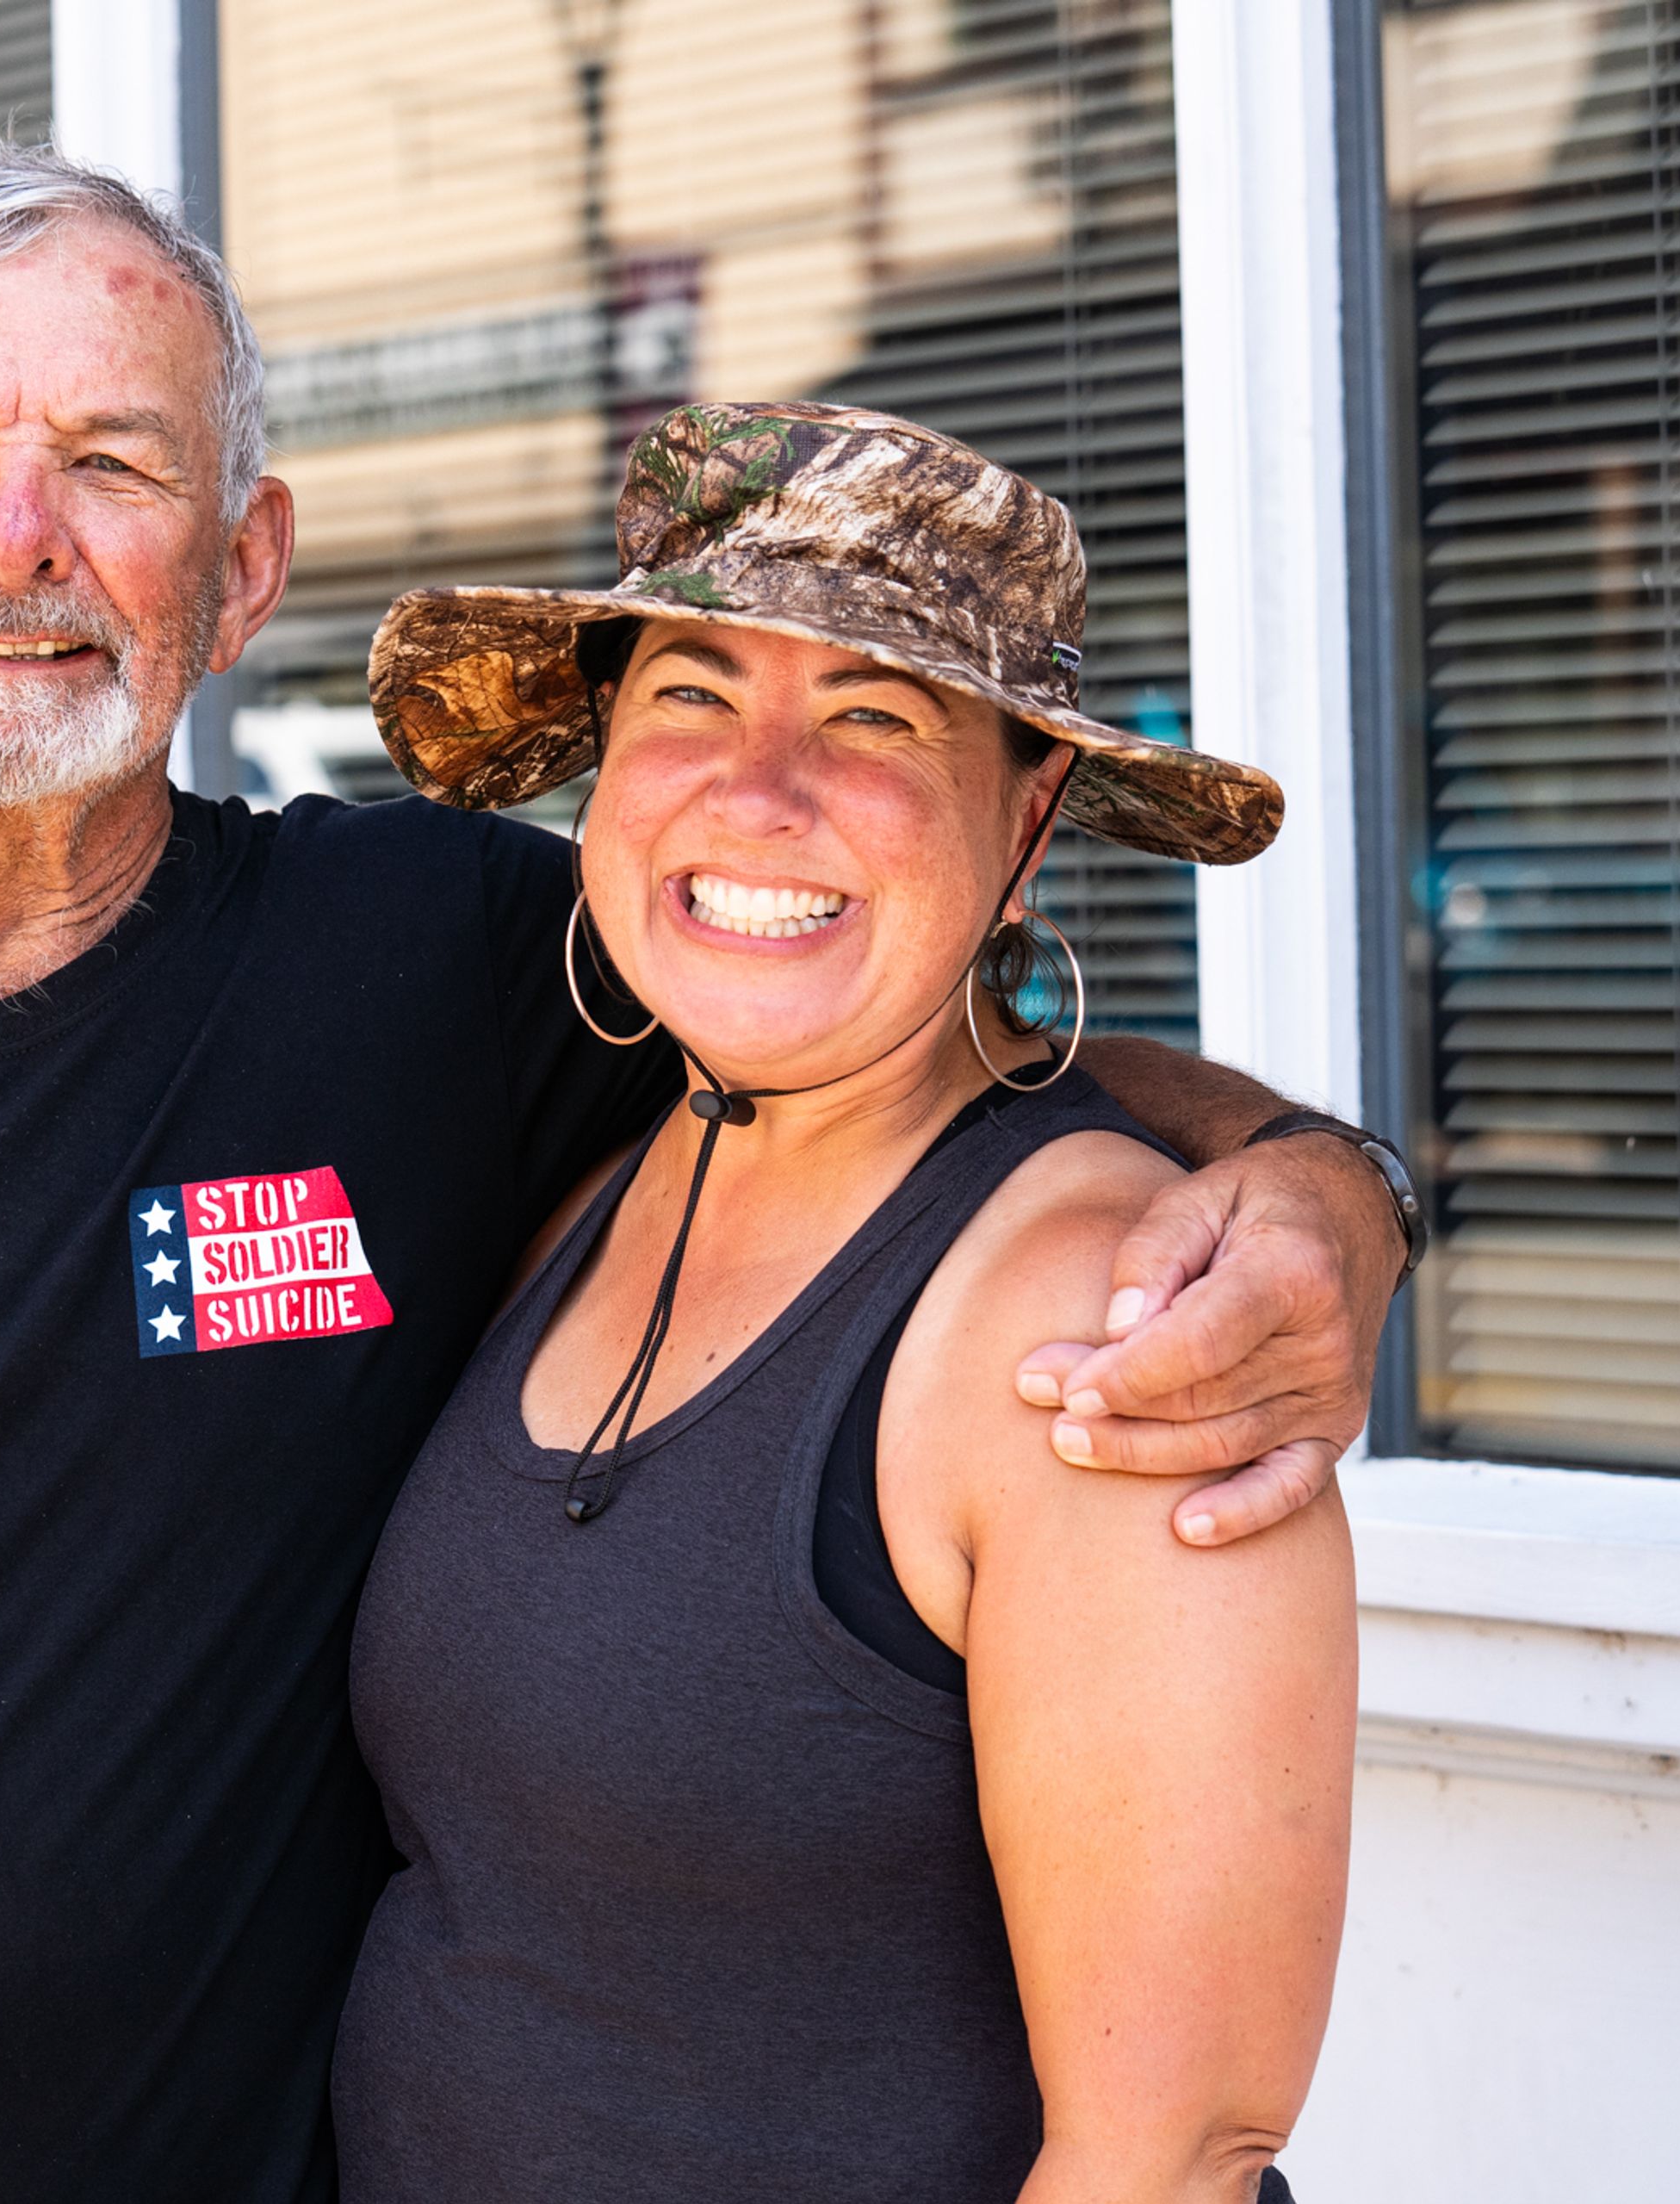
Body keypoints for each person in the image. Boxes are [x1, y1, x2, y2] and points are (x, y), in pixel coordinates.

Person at [0, 131, 1409, 2204]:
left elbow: (914, 1046)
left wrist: (1325, 1187)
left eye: (111, 461)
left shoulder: (435, 970)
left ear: (244, 563)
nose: (15, 544)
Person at [335, 401, 1356, 2203]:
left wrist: (1345, 1198)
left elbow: (1170, 2155)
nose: (759, 787)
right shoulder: (597, 1185)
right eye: (690, 693)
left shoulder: (1105, 1317)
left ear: (1027, 818)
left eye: (875, 717)